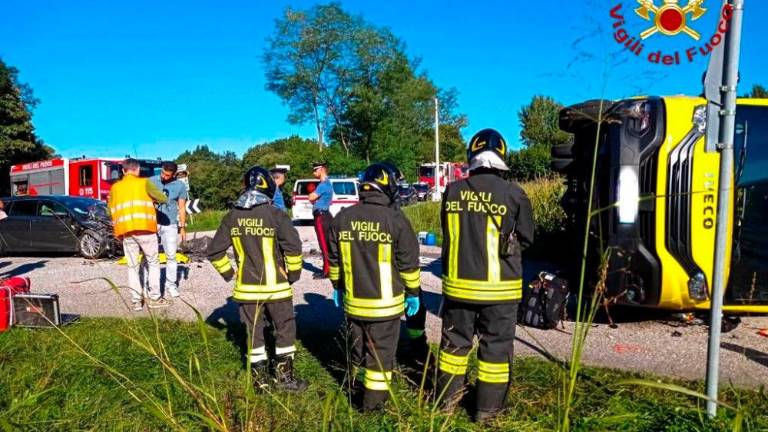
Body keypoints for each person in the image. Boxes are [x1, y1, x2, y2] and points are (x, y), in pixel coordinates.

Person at [435, 129, 535, 422]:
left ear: (471, 156)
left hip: (458, 288)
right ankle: (487, 412)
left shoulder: (452, 191)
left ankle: (445, 405)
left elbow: (448, 232)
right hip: (500, 291)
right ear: (502, 157)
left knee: (454, 347)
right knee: (496, 350)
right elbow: (527, 238)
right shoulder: (514, 193)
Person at [327, 162, 422, 411]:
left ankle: (354, 391)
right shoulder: (396, 220)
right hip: (385, 308)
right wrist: (413, 294)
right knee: (379, 356)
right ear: (387, 187)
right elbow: (409, 265)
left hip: (353, 305)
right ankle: (373, 407)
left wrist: (337, 286)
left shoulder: (342, 218)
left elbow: (334, 261)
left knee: (356, 351)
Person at [206, 166, 306, 392]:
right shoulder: (276, 215)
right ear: (268, 187)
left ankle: (260, 382)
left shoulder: (232, 216)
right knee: (284, 330)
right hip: (277, 290)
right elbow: (293, 248)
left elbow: (214, 252)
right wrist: (292, 275)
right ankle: (284, 379)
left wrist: (231, 274)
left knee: (254, 334)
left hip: (247, 291)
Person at [108, 158, 170, 311]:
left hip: (127, 232)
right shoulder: (144, 183)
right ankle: (155, 298)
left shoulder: (115, 188)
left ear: (123, 170)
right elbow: (163, 198)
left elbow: (110, 210)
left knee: (132, 266)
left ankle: (136, 301)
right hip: (146, 229)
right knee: (153, 263)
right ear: (137, 170)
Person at [150, 161, 188, 298]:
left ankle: (171, 285)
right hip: (152, 223)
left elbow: (182, 207)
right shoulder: (151, 181)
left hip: (170, 224)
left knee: (171, 256)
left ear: (174, 175)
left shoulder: (180, 186)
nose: (163, 177)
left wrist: (182, 227)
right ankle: (151, 286)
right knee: (151, 257)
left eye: (167, 175)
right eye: (162, 173)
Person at [308, 161, 333, 279]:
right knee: (325, 243)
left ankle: (327, 270)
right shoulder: (326, 183)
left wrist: (312, 194)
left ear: (322, 169)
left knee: (324, 244)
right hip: (324, 215)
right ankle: (326, 268)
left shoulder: (323, 184)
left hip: (321, 217)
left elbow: (311, 197)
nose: (313, 172)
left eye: (315, 170)